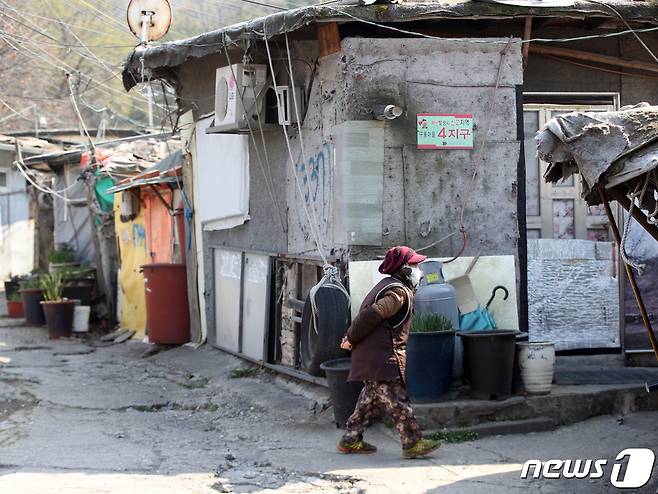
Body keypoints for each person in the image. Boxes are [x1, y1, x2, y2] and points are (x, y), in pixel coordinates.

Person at [337, 246, 441, 459]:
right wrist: (350, 338)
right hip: (382, 358)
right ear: (404, 269)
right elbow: (370, 316)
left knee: (369, 401)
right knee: (398, 400)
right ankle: (413, 443)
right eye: (415, 265)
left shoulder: (389, 286)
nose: (419, 269)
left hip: (374, 357)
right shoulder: (397, 293)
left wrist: (351, 339)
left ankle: (350, 439)